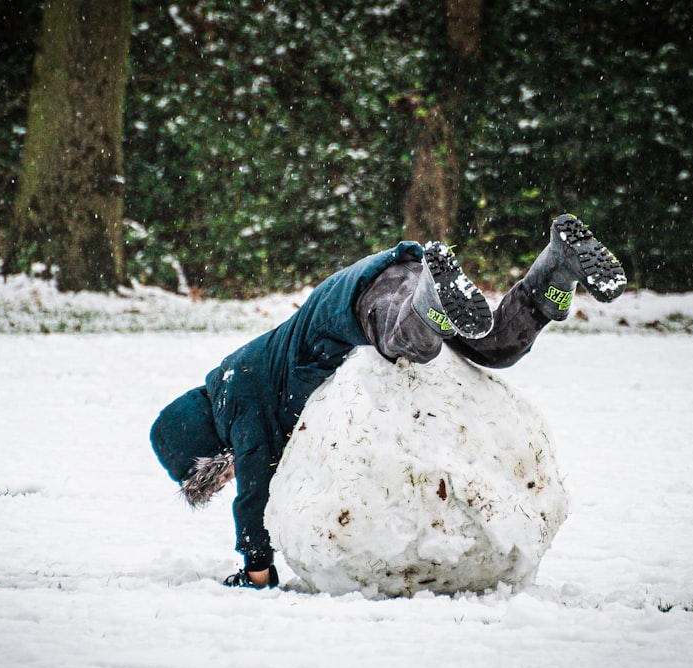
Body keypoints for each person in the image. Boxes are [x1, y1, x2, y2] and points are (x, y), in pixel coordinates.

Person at [150, 214, 626, 588]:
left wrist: (257, 570)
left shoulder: (237, 395)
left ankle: (431, 299)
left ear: (207, 452)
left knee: (409, 343)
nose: (229, 475)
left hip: (360, 297)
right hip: (397, 285)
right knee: (497, 346)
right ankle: (557, 270)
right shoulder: (240, 383)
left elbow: (254, 488)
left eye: (217, 473)